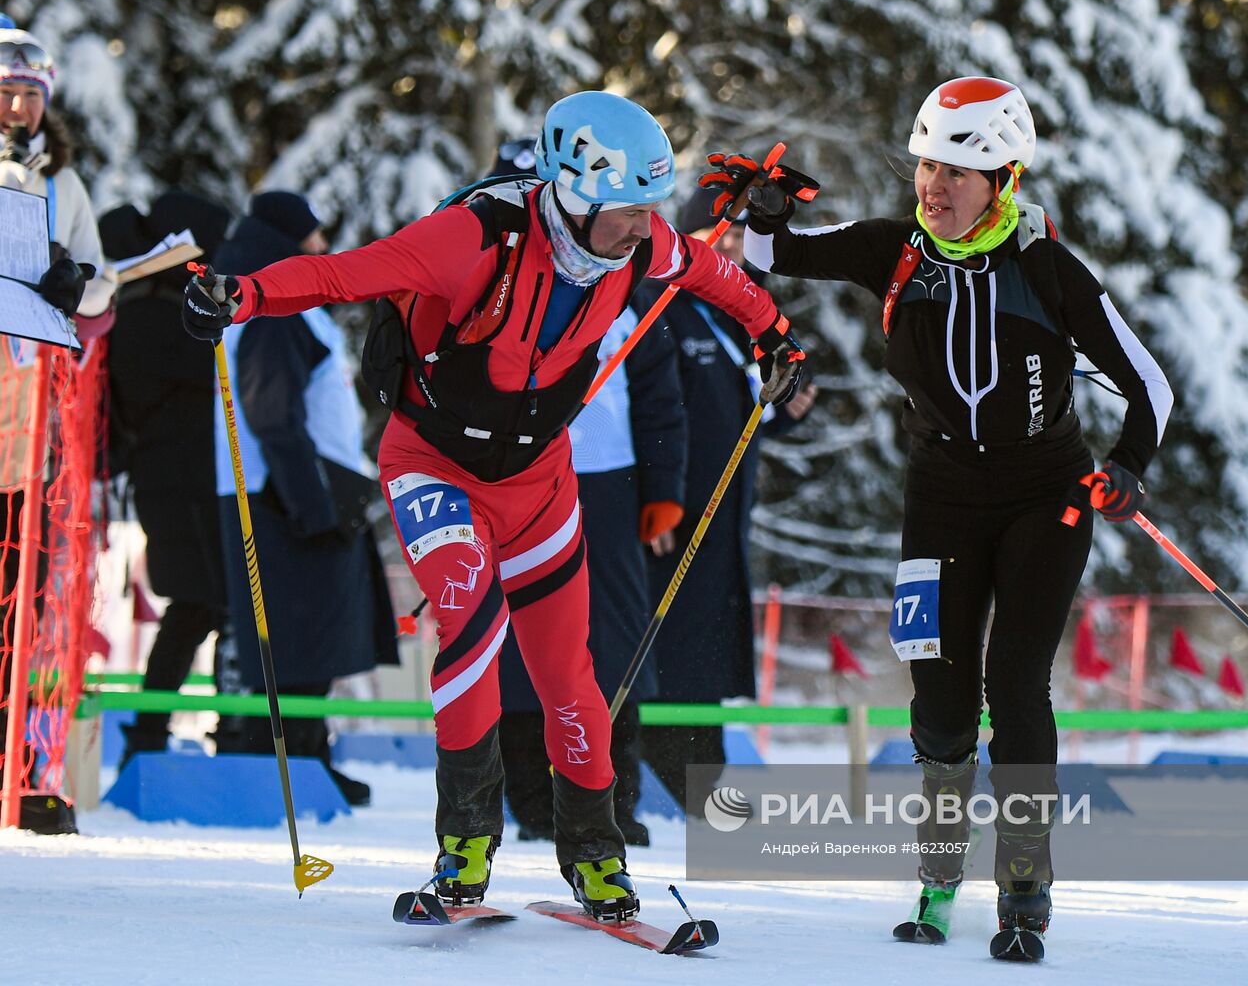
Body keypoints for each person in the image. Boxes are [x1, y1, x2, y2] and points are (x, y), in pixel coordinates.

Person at [181, 92, 808, 921]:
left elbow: (710, 271)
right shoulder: (474, 235)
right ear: (575, 194)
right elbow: (344, 272)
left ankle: (594, 853)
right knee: (471, 632)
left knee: (569, 679)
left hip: (538, 481)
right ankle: (465, 845)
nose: (638, 230)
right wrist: (242, 295)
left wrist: (776, 336)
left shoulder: (634, 241)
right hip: (433, 466)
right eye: (624, 212)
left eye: (646, 213)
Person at [712, 77, 1173, 956]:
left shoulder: (1046, 267)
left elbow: (1149, 383)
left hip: (1048, 495)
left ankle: (1025, 883)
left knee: (1016, 682)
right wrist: (763, 210)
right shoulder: (895, 252)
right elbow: (774, 256)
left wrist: (1127, 469)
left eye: (959, 170)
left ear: (1004, 178)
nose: (936, 185)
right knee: (941, 698)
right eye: (928, 164)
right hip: (941, 498)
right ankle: (936, 879)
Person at [489, 138, 688, 850]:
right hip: (515, 474)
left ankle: (612, 798)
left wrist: (664, 491)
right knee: (517, 637)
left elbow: (661, 397)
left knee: (612, 637)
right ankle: (529, 800)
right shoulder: (497, 276)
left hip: (607, 478)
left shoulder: (626, 284)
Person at [209, 191, 394, 807]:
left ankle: (308, 756)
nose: (323, 246)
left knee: (313, 637)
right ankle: (284, 764)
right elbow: (271, 412)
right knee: (296, 638)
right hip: (284, 495)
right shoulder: (275, 301)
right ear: (292, 240)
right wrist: (311, 505)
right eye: (314, 236)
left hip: (296, 488)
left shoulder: (281, 294)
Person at [640, 187, 816, 812]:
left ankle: (703, 778)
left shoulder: (740, 311)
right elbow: (656, 410)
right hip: (677, 510)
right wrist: (655, 493)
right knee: (674, 644)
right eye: (724, 235)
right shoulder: (666, 305)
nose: (736, 249)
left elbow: (736, 408)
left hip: (724, 510)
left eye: (743, 238)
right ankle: (673, 778)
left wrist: (785, 410)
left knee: (707, 644)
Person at [0, 26, 113, 813]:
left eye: (30, 94)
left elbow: (99, 285)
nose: (17, 107)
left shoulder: (62, 183)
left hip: (25, 413)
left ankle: (14, 768)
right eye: (6, 93)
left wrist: (76, 285)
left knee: (20, 589)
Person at [99, 190, 234, 767]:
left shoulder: (135, 310)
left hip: (173, 483)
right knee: (207, 605)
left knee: (200, 606)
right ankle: (202, 733)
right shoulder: (159, 318)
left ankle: (158, 732)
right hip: (188, 486)